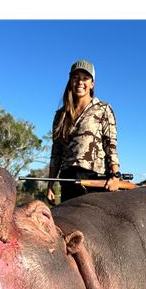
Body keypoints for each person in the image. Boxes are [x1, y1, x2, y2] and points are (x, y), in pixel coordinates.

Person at [47, 59, 122, 203]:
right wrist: (50, 185)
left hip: (94, 179)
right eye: (75, 77)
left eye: (85, 78)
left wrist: (115, 176)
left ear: (92, 83)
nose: (80, 82)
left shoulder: (103, 109)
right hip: (68, 180)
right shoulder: (60, 115)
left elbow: (111, 146)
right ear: (70, 81)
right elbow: (56, 152)